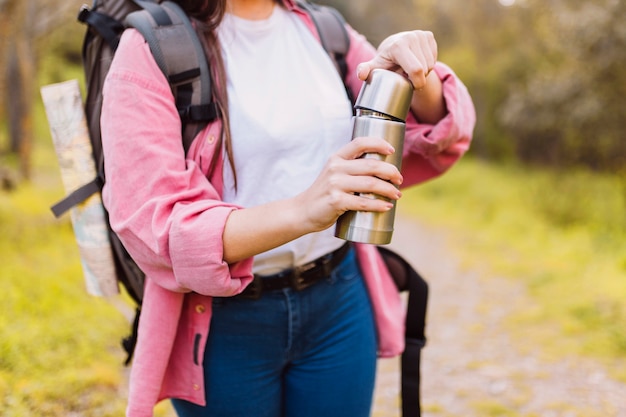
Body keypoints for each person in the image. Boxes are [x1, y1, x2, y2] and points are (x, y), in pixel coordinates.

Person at [100, 0, 475, 416]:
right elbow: (154, 223)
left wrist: (416, 76)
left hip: (339, 302)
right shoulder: (151, 47)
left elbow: (435, 130)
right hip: (224, 324)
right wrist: (302, 211)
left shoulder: (323, 28)